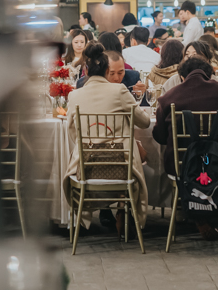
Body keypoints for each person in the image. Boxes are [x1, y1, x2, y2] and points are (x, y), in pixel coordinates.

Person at [152, 56, 218, 240]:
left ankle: (196, 214)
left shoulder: (168, 97)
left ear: (182, 77)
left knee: (184, 172)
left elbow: (159, 137)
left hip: (182, 166)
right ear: (209, 75)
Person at [64, 44, 152, 229]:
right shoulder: (119, 91)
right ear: (106, 71)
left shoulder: (74, 95)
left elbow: (72, 131)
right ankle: (124, 208)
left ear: (86, 70)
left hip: (86, 167)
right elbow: (144, 122)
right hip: (121, 167)